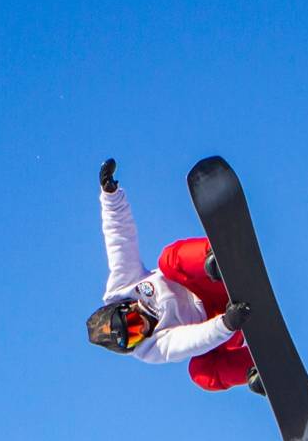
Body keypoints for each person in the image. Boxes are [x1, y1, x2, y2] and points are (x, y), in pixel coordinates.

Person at [86, 158, 263, 393]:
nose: (142, 329)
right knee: (200, 373)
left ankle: (215, 258)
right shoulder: (151, 350)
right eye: (135, 337)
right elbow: (189, 340)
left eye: (134, 324)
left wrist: (110, 195)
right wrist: (227, 323)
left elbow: (120, 241)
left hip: (210, 283)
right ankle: (256, 372)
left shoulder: (124, 286)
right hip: (228, 320)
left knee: (168, 260)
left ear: (126, 307)